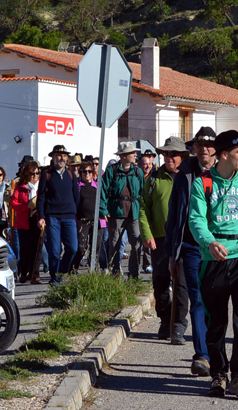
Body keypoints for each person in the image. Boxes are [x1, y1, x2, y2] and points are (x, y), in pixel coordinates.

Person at [188, 129, 238, 400]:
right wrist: (209, 242)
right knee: (217, 322)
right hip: (213, 260)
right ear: (224, 155)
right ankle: (218, 374)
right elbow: (196, 220)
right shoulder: (202, 184)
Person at [165, 126, 218, 376]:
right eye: (200, 145)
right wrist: (171, 254)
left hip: (222, 246)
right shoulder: (184, 174)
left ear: (217, 149)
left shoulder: (228, 173)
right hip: (191, 246)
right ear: (193, 148)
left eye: (209, 145)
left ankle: (218, 351)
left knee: (218, 302)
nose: (204, 149)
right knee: (197, 299)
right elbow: (174, 215)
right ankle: (203, 354)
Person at [140, 136, 184, 341]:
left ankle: (178, 324)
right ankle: (165, 321)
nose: (168, 157)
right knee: (160, 282)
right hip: (159, 239)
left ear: (182, 156)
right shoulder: (154, 178)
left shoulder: (188, 177)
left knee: (181, 284)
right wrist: (147, 234)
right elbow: (143, 208)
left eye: (173, 154)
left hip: (184, 239)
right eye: (166, 153)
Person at [100, 142, 145, 278]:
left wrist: (144, 211)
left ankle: (133, 275)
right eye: (132, 153)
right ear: (124, 156)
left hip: (134, 214)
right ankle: (115, 275)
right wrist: (103, 210)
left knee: (136, 244)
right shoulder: (111, 171)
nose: (135, 155)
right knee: (114, 246)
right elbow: (102, 191)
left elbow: (143, 193)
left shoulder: (138, 171)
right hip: (116, 214)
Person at [37, 144, 80, 285]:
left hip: (69, 217)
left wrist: (78, 218)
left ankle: (61, 271)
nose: (62, 158)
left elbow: (76, 197)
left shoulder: (71, 175)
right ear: (53, 158)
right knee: (54, 251)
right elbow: (41, 198)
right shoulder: (46, 175)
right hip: (52, 216)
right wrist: (41, 216)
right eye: (59, 156)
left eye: (64, 156)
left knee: (73, 248)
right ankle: (54, 278)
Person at [10, 161, 44, 283]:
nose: (35, 176)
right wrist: (27, 206)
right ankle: (23, 272)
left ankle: (35, 274)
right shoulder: (20, 186)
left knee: (37, 248)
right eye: (32, 173)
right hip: (24, 221)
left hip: (37, 220)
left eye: (37, 173)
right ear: (27, 174)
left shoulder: (42, 186)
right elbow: (14, 204)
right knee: (25, 248)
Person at [72, 159, 98, 273]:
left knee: (95, 249)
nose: (87, 174)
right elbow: (74, 205)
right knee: (81, 248)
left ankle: (92, 272)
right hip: (82, 221)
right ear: (81, 173)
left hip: (96, 221)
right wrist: (76, 222)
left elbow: (103, 202)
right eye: (84, 171)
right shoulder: (77, 187)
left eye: (89, 171)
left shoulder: (97, 186)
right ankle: (73, 270)